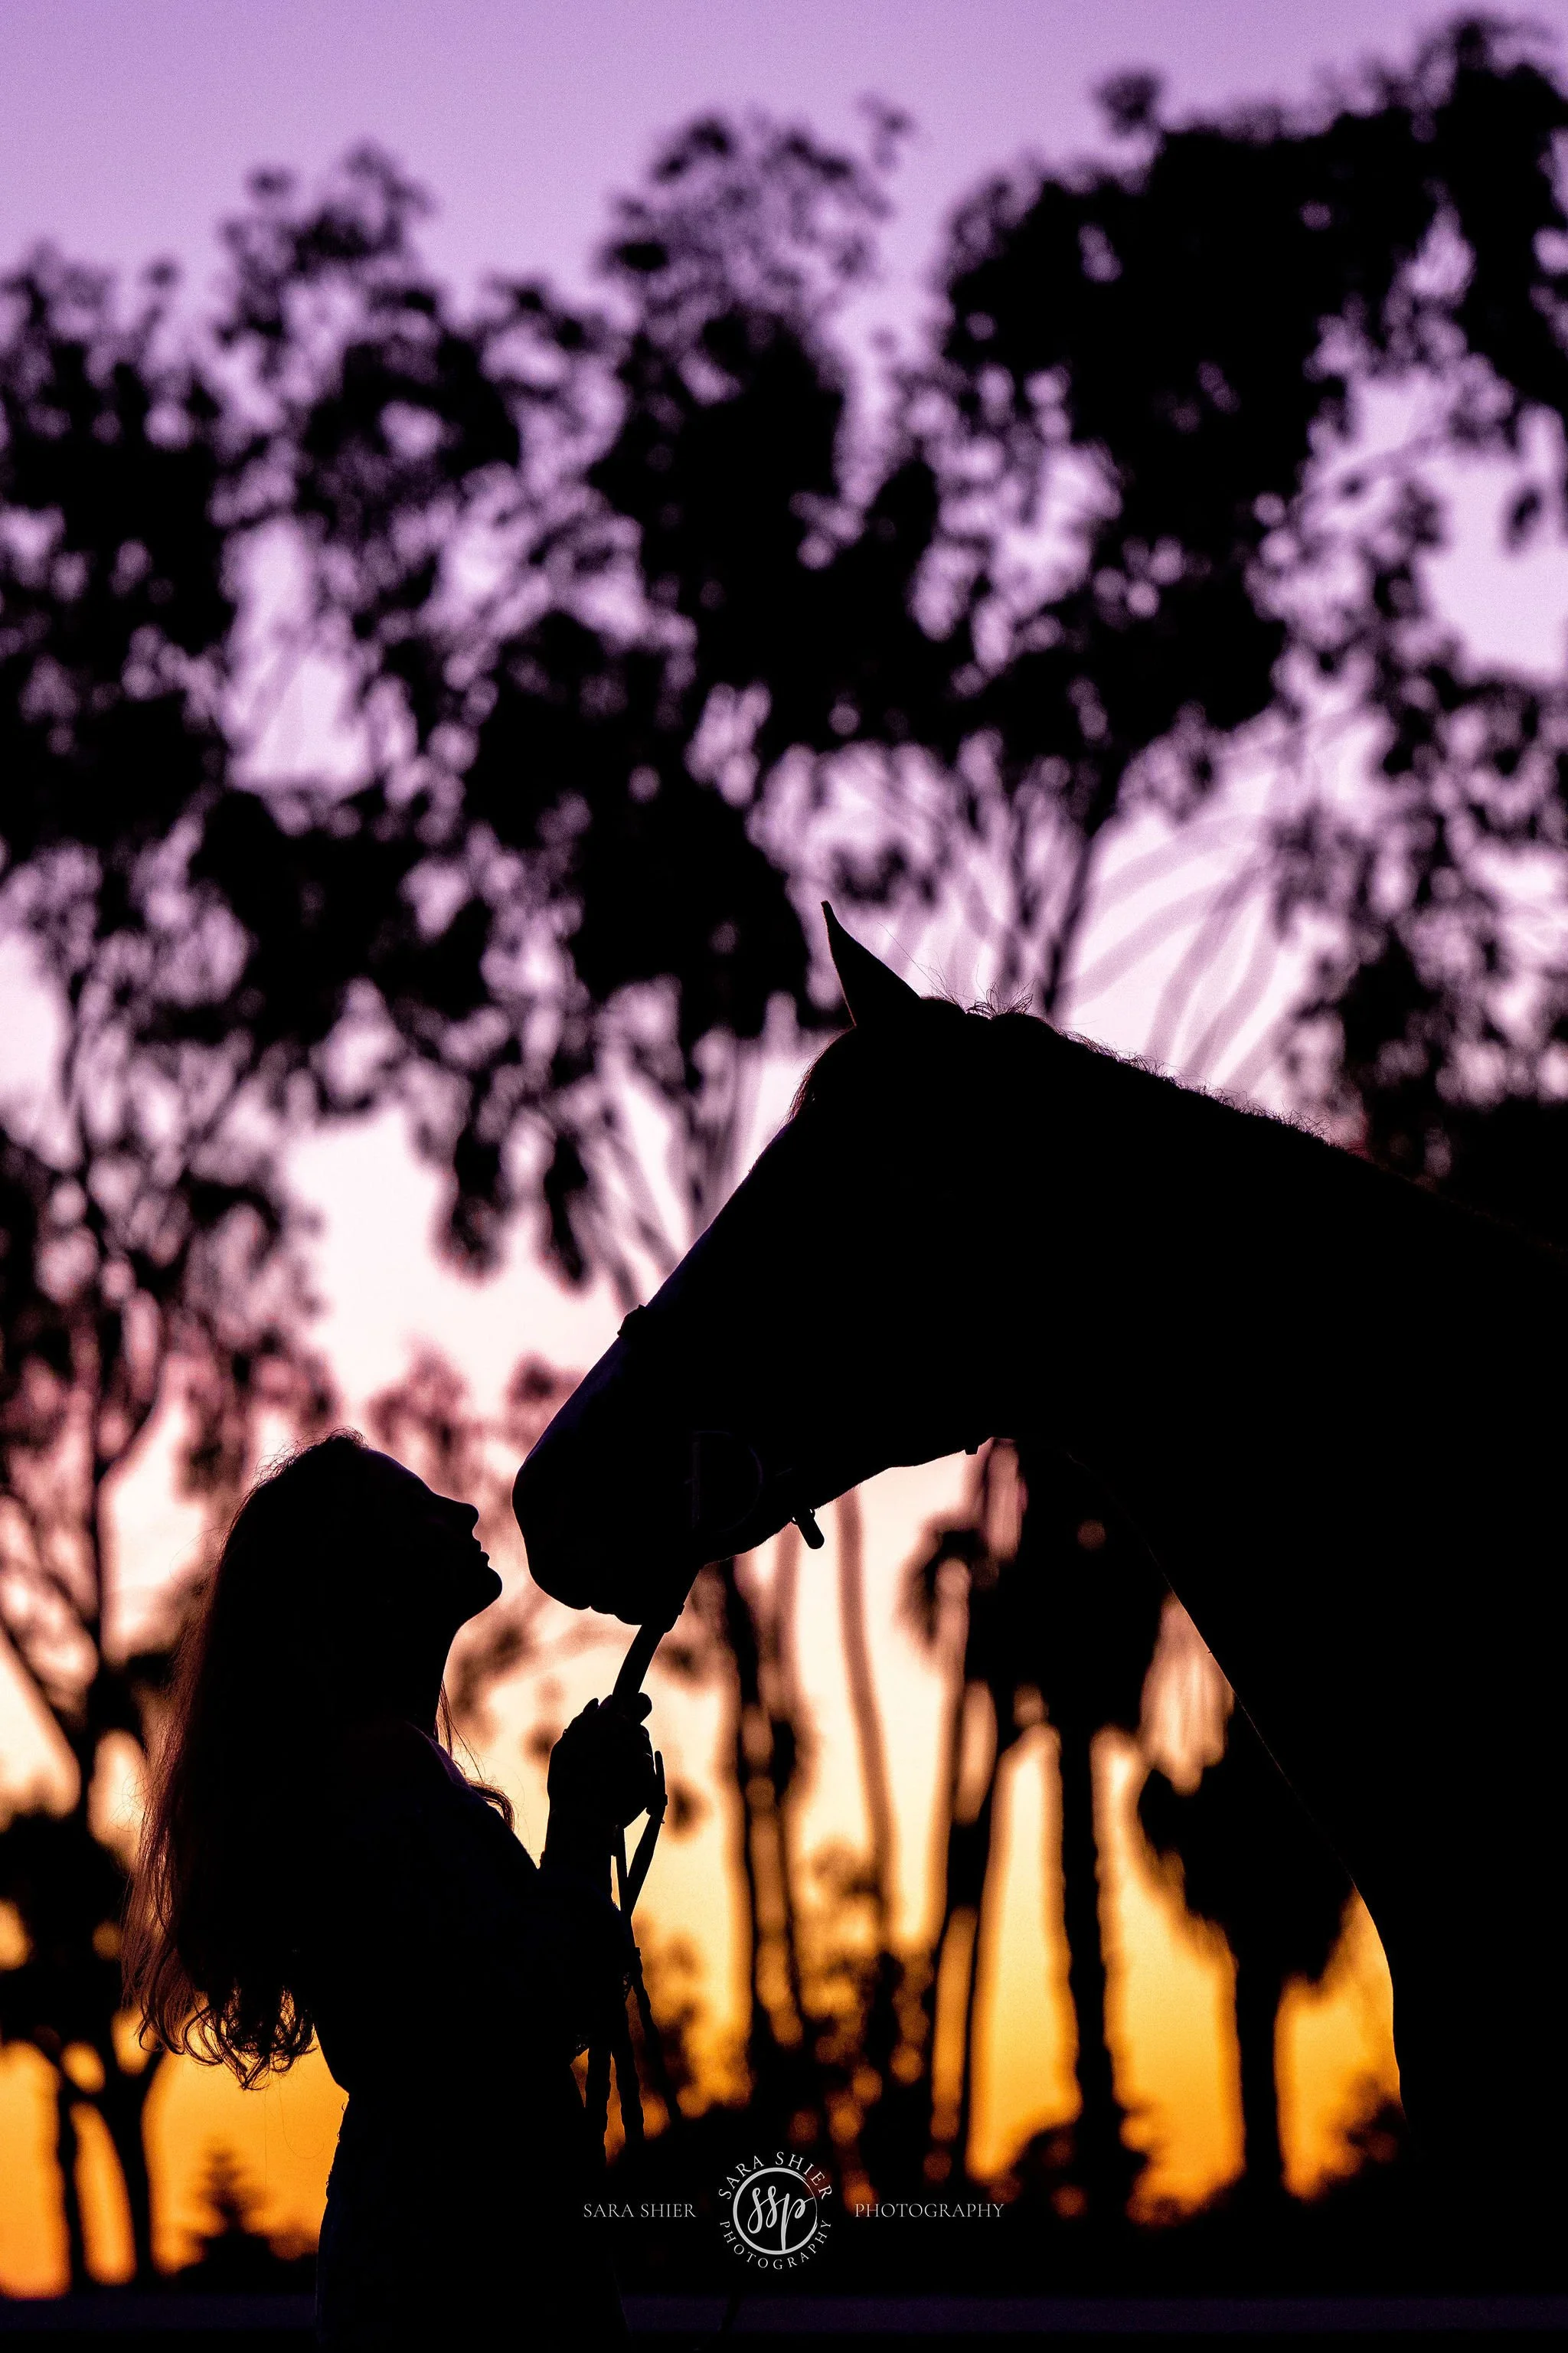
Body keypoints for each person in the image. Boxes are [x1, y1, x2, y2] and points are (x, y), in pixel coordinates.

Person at [125, 1430, 658, 2349]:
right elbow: (513, 2016)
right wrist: (575, 1828)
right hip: (463, 2275)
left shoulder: (376, 1777)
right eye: (419, 1510)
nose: (460, 1512)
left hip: (424, 2251)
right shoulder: (376, 1781)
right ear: (362, 1581)